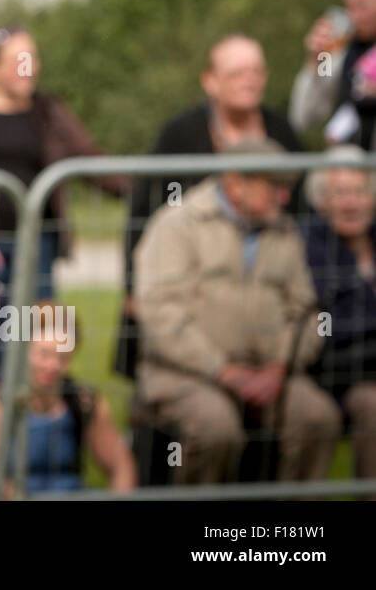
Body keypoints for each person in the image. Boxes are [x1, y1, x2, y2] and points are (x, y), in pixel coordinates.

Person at [133, 138, 340, 484]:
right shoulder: (178, 224)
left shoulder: (285, 232)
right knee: (215, 429)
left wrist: (280, 366)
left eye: (286, 187)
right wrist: (221, 370)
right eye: (273, 186)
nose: (284, 196)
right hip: (183, 373)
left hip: (270, 374)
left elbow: (306, 311)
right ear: (234, 182)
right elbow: (160, 313)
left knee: (317, 419)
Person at [116, 34, 303, 378]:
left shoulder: (282, 132)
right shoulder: (181, 134)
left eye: (257, 71)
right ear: (211, 81)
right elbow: (144, 210)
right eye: (237, 73)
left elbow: (300, 209)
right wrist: (132, 284)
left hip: (262, 279)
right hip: (189, 276)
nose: (250, 79)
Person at [0, 24, 128, 300]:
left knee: (34, 333)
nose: (28, 68)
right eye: (18, 60)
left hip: (36, 244)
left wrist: (146, 189)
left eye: (32, 58)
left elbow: (90, 159)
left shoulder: (49, 112)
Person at [0, 303, 136, 497]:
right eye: (44, 354)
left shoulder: (81, 401)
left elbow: (121, 465)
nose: (53, 366)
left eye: (63, 358)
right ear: (21, 349)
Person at [301, 146, 376, 480]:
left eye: (360, 192)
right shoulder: (309, 247)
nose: (351, 203)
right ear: (321, 201)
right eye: (340, 194)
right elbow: (329, 330)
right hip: (335, 375)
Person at [290, 0, 376, 146]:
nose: (353, 15)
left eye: (361, 5)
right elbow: (306, 118)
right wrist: (318, 61)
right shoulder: (344, 51)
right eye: (349, 5)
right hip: (348, 166)